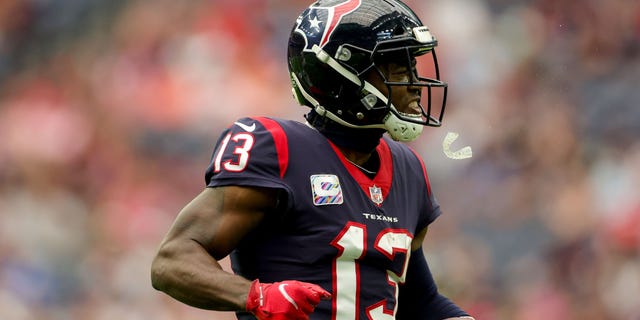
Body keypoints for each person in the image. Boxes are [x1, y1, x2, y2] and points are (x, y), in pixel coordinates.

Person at [151, 0, 475, 319]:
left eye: (412, 67)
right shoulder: (278, 148)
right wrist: (255, 296)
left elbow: (418, 300)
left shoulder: (408, 170)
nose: (416, 84)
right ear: (343, 76)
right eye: (398, 68)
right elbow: (172, 261)